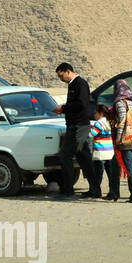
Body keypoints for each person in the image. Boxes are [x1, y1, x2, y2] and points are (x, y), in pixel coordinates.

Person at [51, 62, 95, 199]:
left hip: (78, 126)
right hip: (75, 125)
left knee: (65, 155)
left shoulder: (79, 84)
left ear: (68, 71)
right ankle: (94, 189)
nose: (61, 79)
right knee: (83, 157)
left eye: (61, 75)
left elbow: (82, 104)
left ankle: (68, 190)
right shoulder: (73, 84)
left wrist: (63, 108)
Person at [111, 79, 132, 202]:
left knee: (130, 167)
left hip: (125, 139)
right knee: (116, 165)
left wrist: (118, 139)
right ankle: (114, 192)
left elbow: (122, 122)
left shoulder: (120, 103)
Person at [89, 104, 119, 199]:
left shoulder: (98, 124)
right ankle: (112, 192)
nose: (94, 115)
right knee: (111, 175)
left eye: (95, 113)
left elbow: (91, 134)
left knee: (98, 174)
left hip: (100, 152)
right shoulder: (110, 122)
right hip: (110, 152)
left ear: (101, 113)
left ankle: (96, 192)